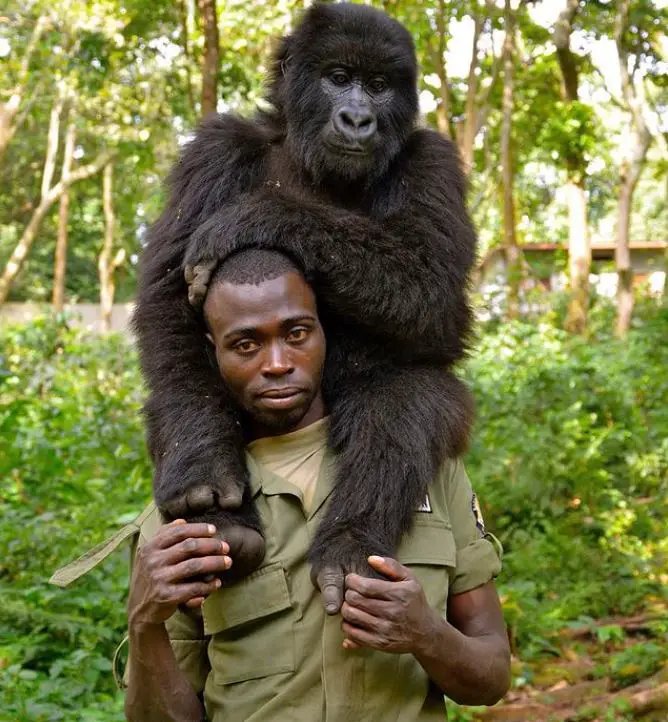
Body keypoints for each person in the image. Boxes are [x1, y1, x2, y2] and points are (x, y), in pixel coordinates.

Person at [52, 249, 510, 721]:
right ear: (212, 350)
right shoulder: (193, 508)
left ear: (324, 329)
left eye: (296, 334)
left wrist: (427, 634)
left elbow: (492, 678)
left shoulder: (425, 469)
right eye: (246, 344)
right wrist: (144, 621)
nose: (277, 363)